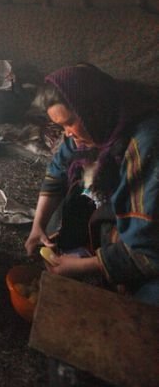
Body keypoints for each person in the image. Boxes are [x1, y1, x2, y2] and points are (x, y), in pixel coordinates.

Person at [24, 63, 159, 306]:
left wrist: (83, 267)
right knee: (59, 221)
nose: (67, 134)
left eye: (69, 123)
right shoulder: (89, 131)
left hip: (151, 231)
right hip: (112, 207)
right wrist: (38, 225)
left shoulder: (146, 147)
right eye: (60, 126)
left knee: (144, 305)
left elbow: (150, 249)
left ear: (93, 109)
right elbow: (57, 171)